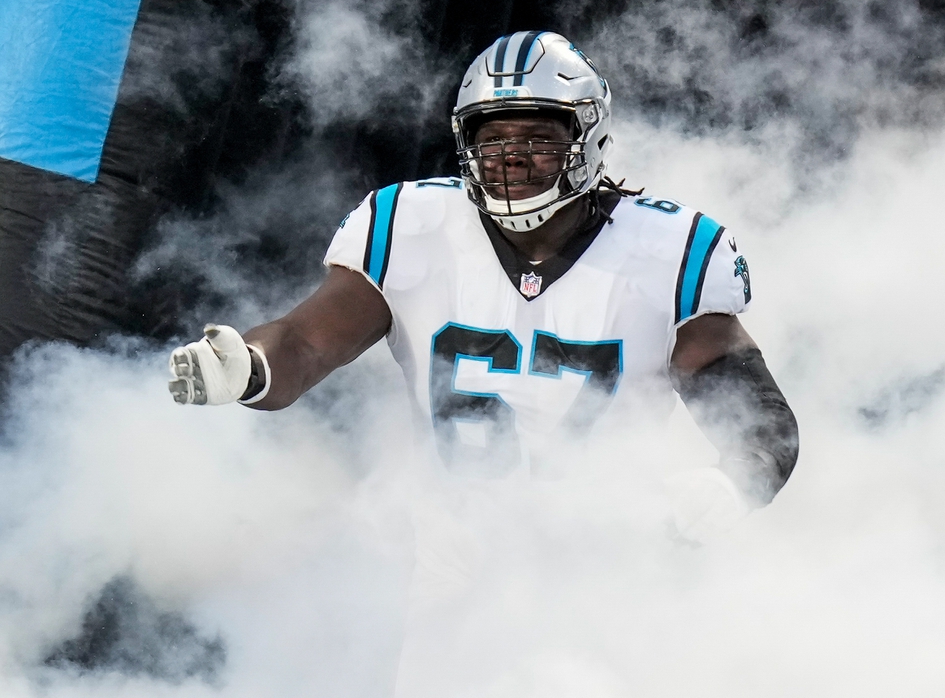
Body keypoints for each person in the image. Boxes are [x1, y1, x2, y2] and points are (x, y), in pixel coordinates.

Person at [168, 31, 798, 540]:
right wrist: (249, 368)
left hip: (612, 561)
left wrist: (732, 482)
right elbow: (304, 344)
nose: (511, 158)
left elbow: (758, 419)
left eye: (537, 138)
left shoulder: (673, 250)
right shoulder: (409, 225)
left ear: (588, 139)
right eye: (491, 138)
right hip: (454, 554)